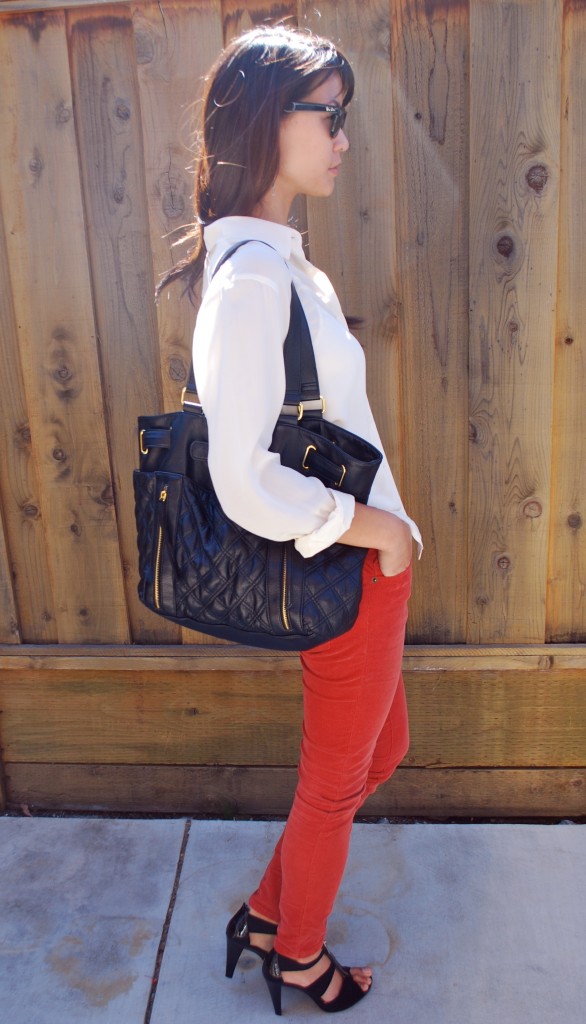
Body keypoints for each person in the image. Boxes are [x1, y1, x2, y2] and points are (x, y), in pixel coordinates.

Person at [158, 24, 422, 1016]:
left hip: (368, 568)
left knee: (377, 753)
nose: (343, 135)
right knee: (332, 784)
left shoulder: (278, 264)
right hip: (349, 570)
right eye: (330, 113)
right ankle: (296, 955)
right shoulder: (256, 280)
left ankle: (269, 911)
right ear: (271, 123)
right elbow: (240, 476)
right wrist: (377, 531)